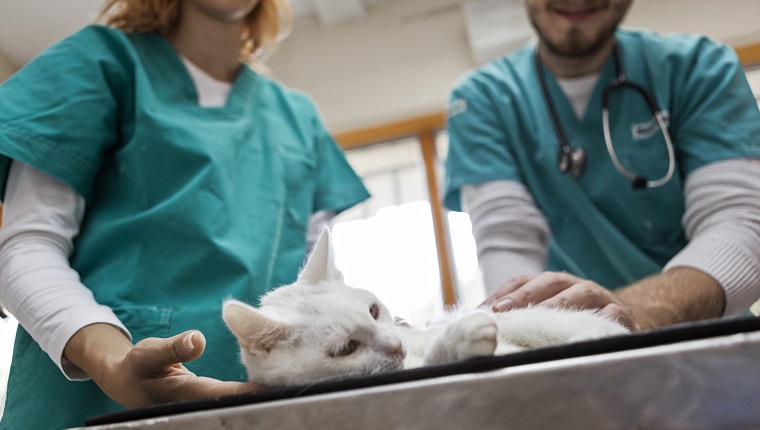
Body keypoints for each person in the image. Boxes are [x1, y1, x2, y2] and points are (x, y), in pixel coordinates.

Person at [0, 0, 369, 428]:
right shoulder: (99, 64)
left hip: (261, 412)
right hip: (90, 408)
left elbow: (313, 285)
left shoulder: (298, 119)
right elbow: (26, 248)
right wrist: (114, 364)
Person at [444, 0, 760, 331]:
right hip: (572, 349)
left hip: (711, 345)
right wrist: (528, 329)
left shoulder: (699, 68)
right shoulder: (480, 99)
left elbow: (741, 224)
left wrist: (633, 313)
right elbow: (508, 242)